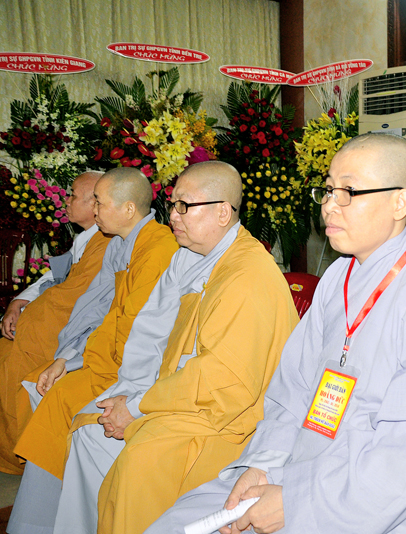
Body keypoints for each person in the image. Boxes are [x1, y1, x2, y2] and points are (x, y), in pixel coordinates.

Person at [146, 133, 406, 534]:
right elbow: (291, 391)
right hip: (305, 455)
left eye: (348, 192)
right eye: (327, 189)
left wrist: (297, 502)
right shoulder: (339, 276)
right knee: (175, 522)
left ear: (399, 203)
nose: (328, 205)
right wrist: (263, 465)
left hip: (377, 491)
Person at [46, 161, 299, 534]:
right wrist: (128, 395)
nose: (173, 217)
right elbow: (149, 334)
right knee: (89, 430)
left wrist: (137, 406)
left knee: (138, 463)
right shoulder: (188, 256)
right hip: (178, 397)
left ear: (222, 213)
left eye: (184, 206)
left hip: (227, 422)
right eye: (172, 204)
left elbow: (221, 383)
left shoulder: (248, 275)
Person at [8, 167, 178, 534]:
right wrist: (66, 359)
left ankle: (48, 521)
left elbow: (144, 333)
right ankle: (41, 519)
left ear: (128, 209)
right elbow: (97, 312)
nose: (95, 210)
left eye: (99, 202)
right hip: (102, 357)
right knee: (47, 391)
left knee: (59, 403)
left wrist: (126, 390)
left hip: (130, 370)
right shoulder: (118, 245)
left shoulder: (159, 249)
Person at [0, 171, 111, 475]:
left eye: (73, 195)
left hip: (70, 336)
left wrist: (32, 315)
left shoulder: (108, 241)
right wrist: (18, 302)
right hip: (55, 326)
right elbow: (59, 278)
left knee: (14, 361)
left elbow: (73, 298)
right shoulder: (88, 238)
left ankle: (17, 454)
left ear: (95, 205)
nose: (66, 201)